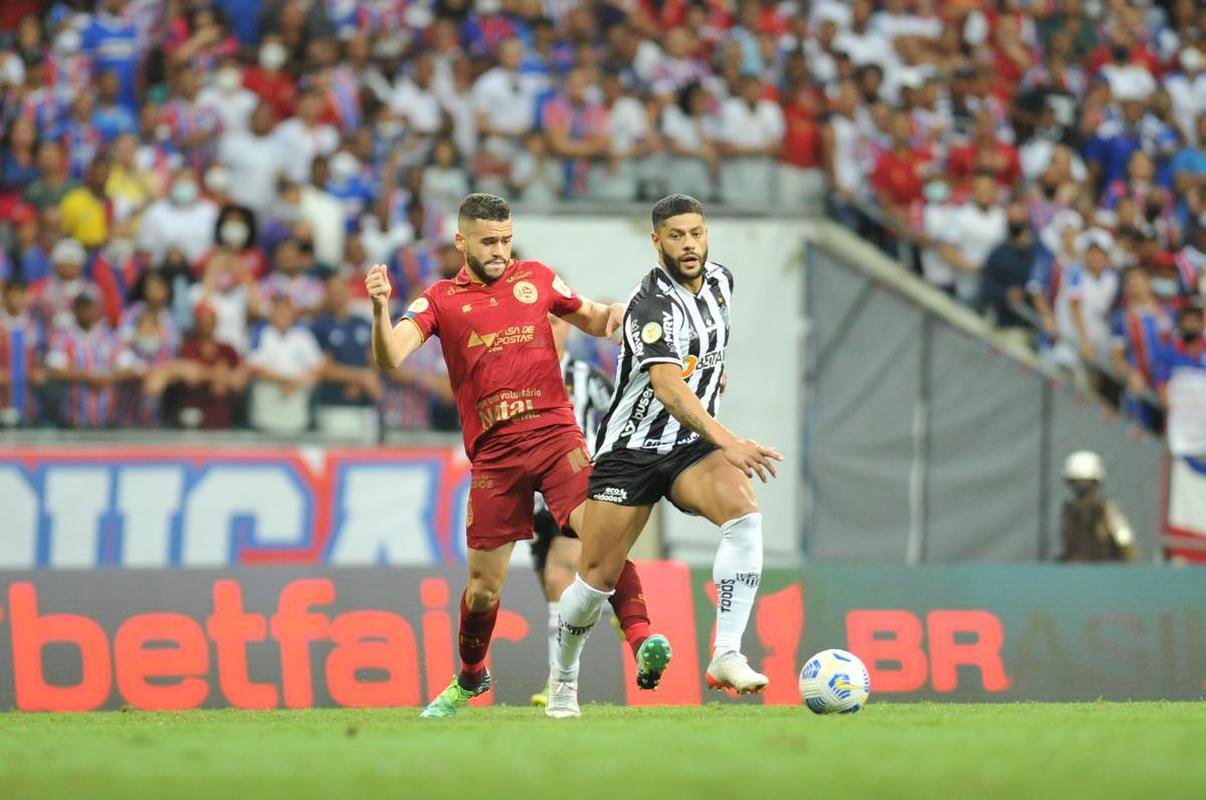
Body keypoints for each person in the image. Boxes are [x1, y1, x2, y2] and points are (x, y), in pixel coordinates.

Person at [365, 193, 662, 719]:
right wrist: (379, 308)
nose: (500, 251)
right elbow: (391, 356)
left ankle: (642, 640)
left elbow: (596, 317)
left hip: (556, 439)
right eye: (488, 242)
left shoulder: (537, 278)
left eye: (505, 240)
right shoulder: (439, 300)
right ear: (461, 241)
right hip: (495, 457)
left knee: (600, 537)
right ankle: (471, 677)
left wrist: (624, 314)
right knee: (483, 590)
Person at [547, 194, 783, 719]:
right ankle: (563, 682)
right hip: (630, 452)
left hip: (687, 447)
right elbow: (668, 386)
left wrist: (714, 384)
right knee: (595, 579)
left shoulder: (721, 283)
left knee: (744, 516)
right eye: (676, 236)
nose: (689, 244)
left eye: (696, 233)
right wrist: (730, 439)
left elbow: (704, 357)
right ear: (657, 242)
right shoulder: (650, 305)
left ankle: (726, 653)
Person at [529, 314, 617, 707]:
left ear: (567, 326)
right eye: (541, 322)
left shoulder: (586, 377)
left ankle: (558, 681)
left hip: (577, 488)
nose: (548, 329)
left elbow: (622, 415)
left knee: (557, 578)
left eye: (555, 321)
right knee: (554, 588)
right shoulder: (517, 377)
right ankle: (611, 599)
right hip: (535, 498)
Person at [1058, 451, 1136, 562]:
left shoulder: (1107, 510)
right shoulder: (1069, 512)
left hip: (1106, 570)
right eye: (1077, 482)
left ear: (1095, 483)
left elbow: (1126, 543)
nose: (1081, 487)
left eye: (1086, 483)